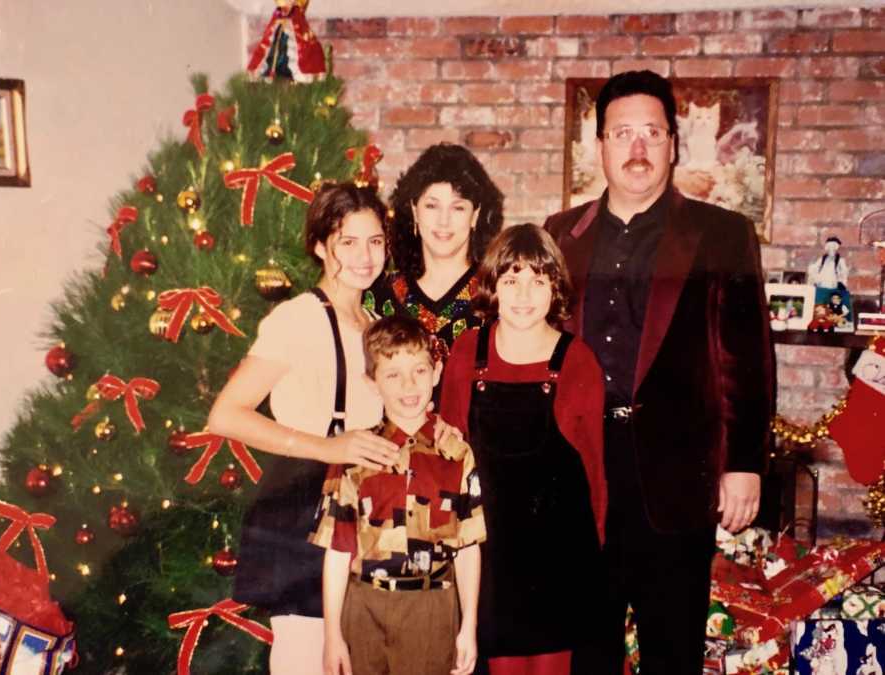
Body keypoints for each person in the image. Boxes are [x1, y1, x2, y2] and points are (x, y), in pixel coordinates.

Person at [544, 70, 775, 674]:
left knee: (672, 653)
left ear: (674, 143)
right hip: (581, 476)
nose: (638, 149)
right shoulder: (558, 235)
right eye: (623, 134)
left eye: (652, 132)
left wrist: (744, 463)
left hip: (676, 477)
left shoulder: (722, 233)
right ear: (600, 147)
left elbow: (745, 356)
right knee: (585, 652)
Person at [207, 182, 400, 675]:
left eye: (375, 241)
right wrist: (327, 444)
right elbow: (226, 414)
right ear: (320, 246)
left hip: (367, 515)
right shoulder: (297, 319)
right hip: (307, 515)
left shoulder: (375, 322)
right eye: (348, 242)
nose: (364, 255)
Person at [440, 224, 607, 675]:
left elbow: (596, 474)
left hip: (560, 561)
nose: (524, 295)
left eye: (538, 280)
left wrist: (596, 564)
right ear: (493, 287)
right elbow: (446, 457)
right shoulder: (465, 353)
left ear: (556, 288)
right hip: (490, 560)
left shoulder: (577, 360)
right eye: (511, 280)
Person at [311, 315, 486, 675]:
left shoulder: (456, 454)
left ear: (436, 373)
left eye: (419, 371)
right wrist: (332, 635)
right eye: (392, 374)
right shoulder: (355, 455)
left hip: (432, 608)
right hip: (363, 608)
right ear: (372, 383)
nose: (409, 385)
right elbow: (338, 550)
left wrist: (468, 627)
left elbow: (468, 547)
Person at [370, 143, 504, 362]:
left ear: (475, 216)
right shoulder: (378, 296)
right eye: (432, 206)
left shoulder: (497, 297)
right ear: (414, 210)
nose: (444, 221)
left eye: (458, 208)